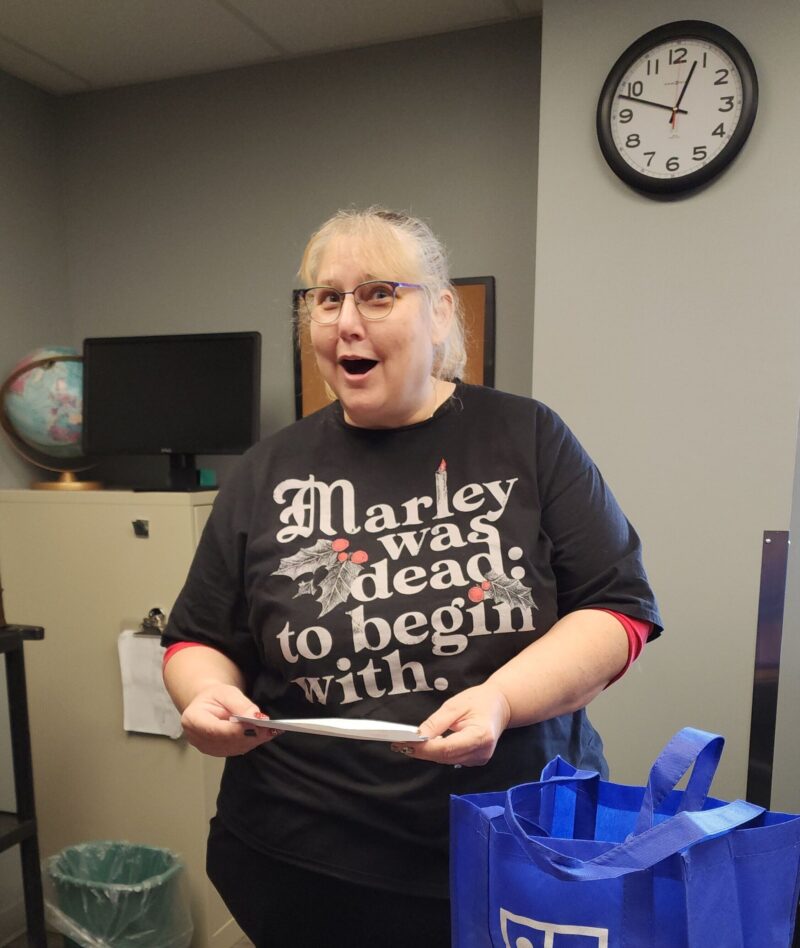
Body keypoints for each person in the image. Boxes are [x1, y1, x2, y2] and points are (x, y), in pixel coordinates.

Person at [162, 207, 662, 947]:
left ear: (439, 311)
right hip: (303, 862)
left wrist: (499, 700)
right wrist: (204, 696)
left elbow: (618, 613)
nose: (345, 322)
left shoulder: (526, 435)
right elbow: (196, 638)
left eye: (376, 293)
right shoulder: (266, 469)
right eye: (326, 298)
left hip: (511, 853)